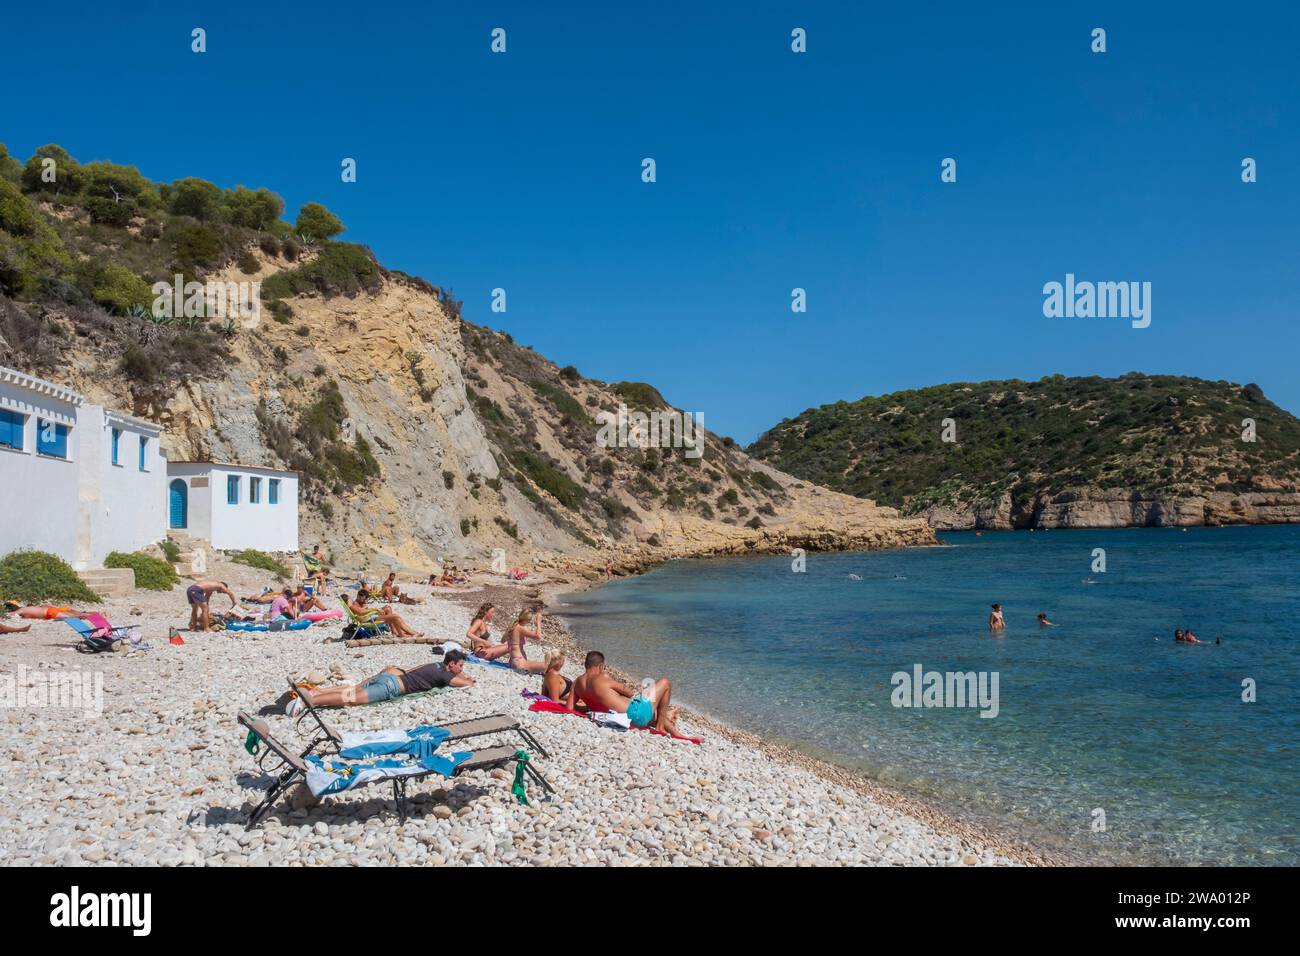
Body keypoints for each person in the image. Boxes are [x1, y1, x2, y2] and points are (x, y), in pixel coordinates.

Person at [287, 649, 475, 713]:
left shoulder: (435, 665)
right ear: (451, 664)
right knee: (351, 698)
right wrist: (468, 679)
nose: (462, 669)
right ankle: (310, 701)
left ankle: (316, 692)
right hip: (392, 686)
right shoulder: (445, 675)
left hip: (390, 676)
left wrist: (461, 674)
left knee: (352, 689)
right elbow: (467, 684)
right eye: (460, 665)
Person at [568, 650, 682, 736]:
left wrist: (587, 707)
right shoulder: (603, 677)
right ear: (601, 666)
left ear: (585, 664)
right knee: (664, 683)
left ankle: (671, 726)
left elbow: (569, 708)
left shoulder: (576, 683)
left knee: (653, 707)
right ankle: (660, 727)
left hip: (622, 719)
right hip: (636, 716)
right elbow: (629, 692)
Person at [350, 589, 421, 638]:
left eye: (365, 599)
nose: (364, 600)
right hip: (369, 620)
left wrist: (375, 610)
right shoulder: (354, 605)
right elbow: (361, 612)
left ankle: (396, 631)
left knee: (387, 607)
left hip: (371, 616)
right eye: (363, 598)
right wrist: (375, 609)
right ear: (358, 596)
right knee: (395, 617)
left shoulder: (360, 603)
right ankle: (406, 634)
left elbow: (364, 611)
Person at [505, 607, 547, 673]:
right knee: (547, 665)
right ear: (528, 619)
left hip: (515, 661)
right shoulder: (520, 628)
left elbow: (503, 640)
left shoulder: (514, 626)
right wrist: (538, 623)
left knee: (545, 667)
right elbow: (538, 636)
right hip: (519, 663)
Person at [3, 600, 88, 621]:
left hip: (49, 613)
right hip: (50, 610)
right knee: (75, 614)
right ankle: (94, 615)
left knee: (75, 617)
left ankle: (90, 616)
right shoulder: (25, 608)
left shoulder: (20, 611)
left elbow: (9, 614)